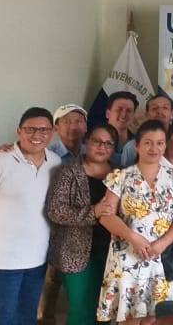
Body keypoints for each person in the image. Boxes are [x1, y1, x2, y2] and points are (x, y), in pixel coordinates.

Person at [0, 107, 63, 325]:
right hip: (3, 260)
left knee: (27, 318)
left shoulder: (55, 162)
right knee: (3, 319)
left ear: (53, 132)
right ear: (19, 131)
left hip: (37, 258)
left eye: (44, 130)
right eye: (30, 129)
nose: (37, 135)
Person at [95, 120, 173, 322]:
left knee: (160, 318)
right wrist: (133, 237)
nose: (154, 148)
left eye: (159, 143)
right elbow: (105, 215)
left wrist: (162, 243)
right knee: (130, 318)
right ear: (137, 145)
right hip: (128, 256)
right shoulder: (120, 176)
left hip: (162, 257)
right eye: (148, 142)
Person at [44, 124, 117, 325]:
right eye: (97, 141)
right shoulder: (67, 171)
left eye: (108, 143)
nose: (102, 146)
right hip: (75, 253)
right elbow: (55, 211)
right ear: (86, 142)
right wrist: (92, 212)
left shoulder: (119, 174)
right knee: (82, 311)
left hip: (111, 254)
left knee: (105, 312)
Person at [40, 103, 90, 325]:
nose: (73, 126)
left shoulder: (92, 153)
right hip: (49, 233)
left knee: (80, 298)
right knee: (48, 290)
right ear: (56, 128)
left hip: (81, 237)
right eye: (67, 121)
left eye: (78, 121)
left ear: (86, 126)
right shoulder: (45, 155)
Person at [104, 91, 139, 167]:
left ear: (133, 116)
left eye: (129, 111)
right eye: (119, 109)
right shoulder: (91, 141)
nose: (123, 115)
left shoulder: (140, 144)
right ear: (108, 114)